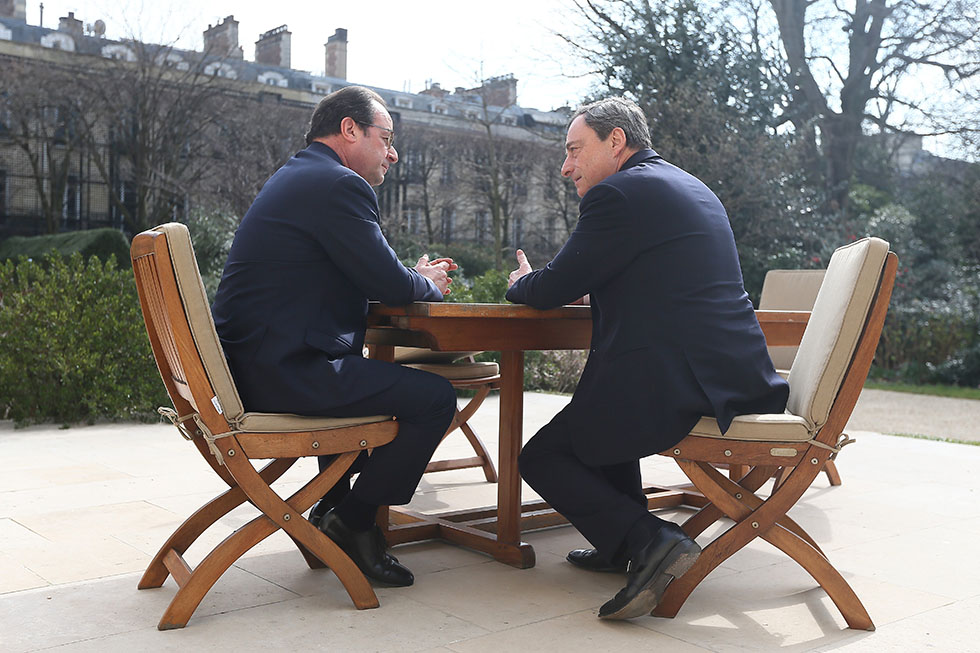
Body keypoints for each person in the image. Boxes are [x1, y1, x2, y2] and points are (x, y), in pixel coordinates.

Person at [506, 97, 789, 620]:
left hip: (685, 378)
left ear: (616, 141)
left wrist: (524, 283)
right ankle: (625, 546)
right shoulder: (685, 184)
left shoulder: (618, 193)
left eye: (574, 151)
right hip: (726, 370)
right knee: (597, 420)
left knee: (542, 456)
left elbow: (553, 288)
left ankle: (653, 539)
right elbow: (656, 279)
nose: (566, 167)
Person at [211, 86, 459, 588]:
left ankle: (336, 510)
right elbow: (388, 283)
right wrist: (425, 282)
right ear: (349, 130)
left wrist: (405, 275)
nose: (393, 153)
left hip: (258, 368)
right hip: (284, 375)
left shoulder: (298, 177)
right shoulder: (336, 184)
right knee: (434, 397)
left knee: (368, 376)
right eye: (385, 138)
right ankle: (354, 517)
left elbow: (365, 273)